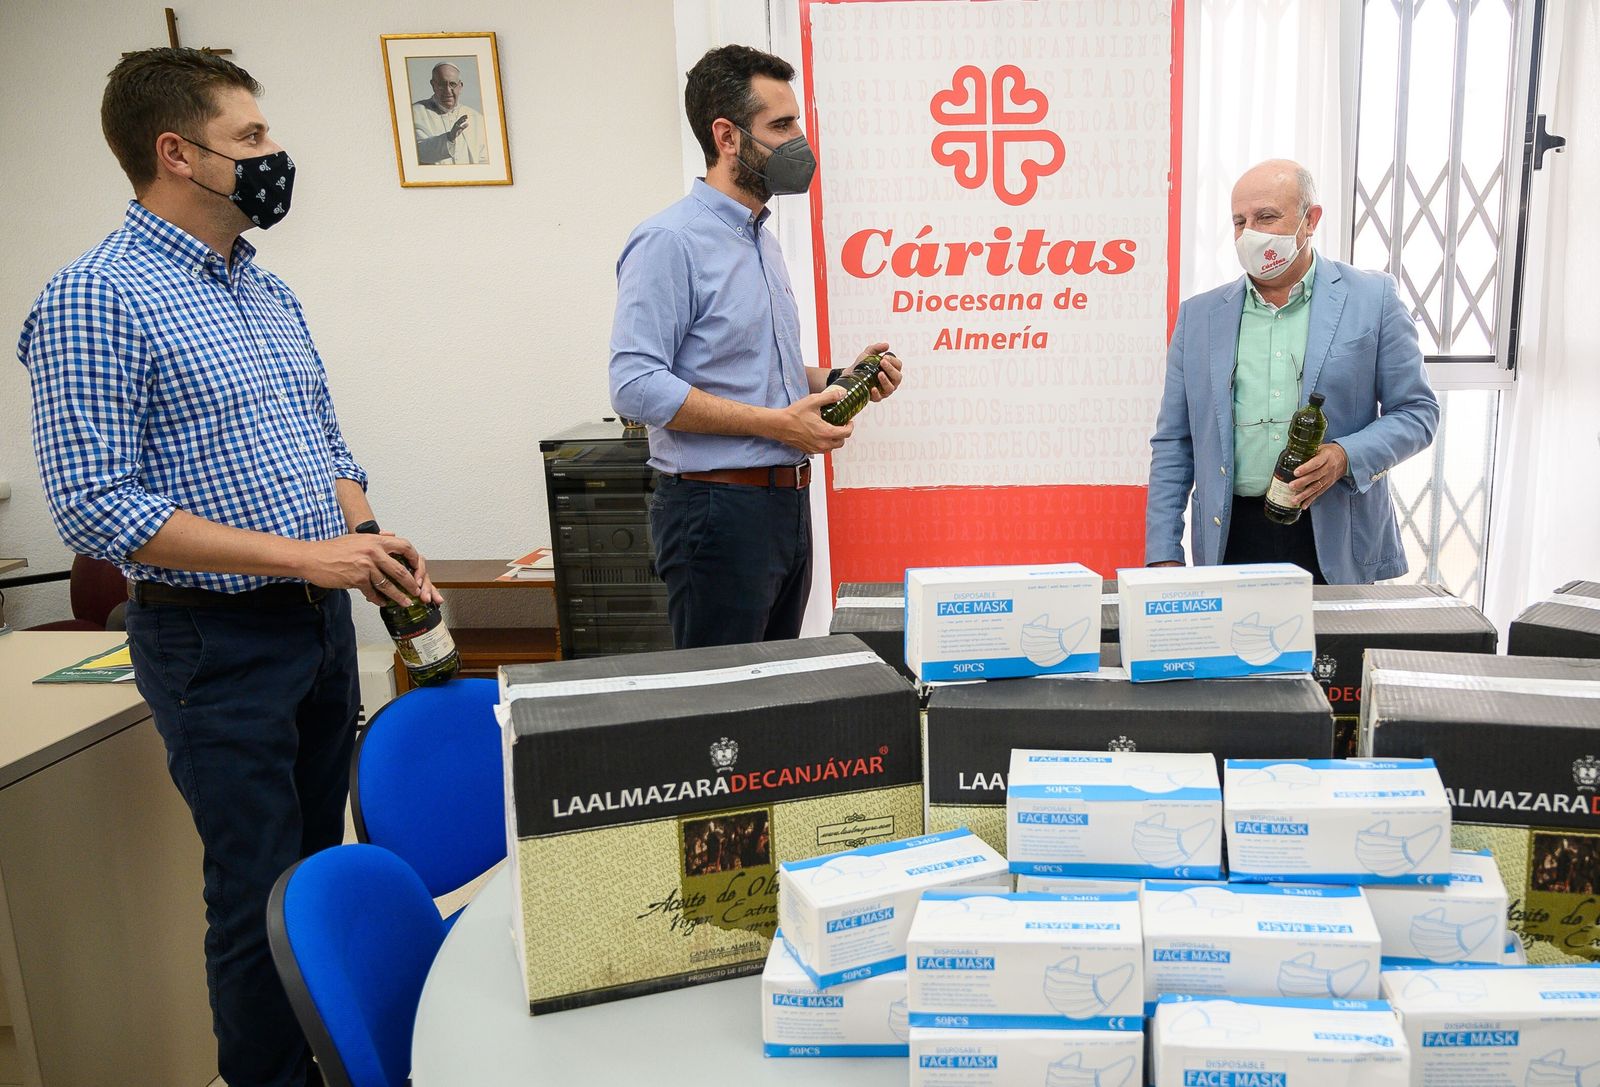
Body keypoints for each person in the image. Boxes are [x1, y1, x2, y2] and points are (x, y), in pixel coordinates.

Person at [18, 48, 441, 1087]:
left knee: (313, 885)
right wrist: (307, 553)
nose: (274, 155)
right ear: (177, 154)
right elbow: (96, 504)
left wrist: (370, 538)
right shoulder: (94, 297)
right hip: (215, 643)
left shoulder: (263, 289)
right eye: (250, 140)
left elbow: (324, 446)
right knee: (258, 902)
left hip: (313, 623)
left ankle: (333, 1061)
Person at [609, 44, 904, 649]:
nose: (800, 140)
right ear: (727, 136)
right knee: (723, 715)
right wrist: (777, 426)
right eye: (781, 125)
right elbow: (634, 384)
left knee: (771, 707)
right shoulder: (669, 241)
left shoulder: (760, 240)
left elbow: (744, 366)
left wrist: (835, 378)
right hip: (714, 512)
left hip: (783, 510)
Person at [1145, 159, 1439, 583]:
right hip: (1232, 537)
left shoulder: (1373, 299)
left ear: (1310, 219)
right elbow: (1174, 443)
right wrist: (1163, 554)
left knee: (1336, 652)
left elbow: (1417, 413)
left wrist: (1344, 456)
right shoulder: (1200, 317)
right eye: (1239, 222)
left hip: (1335, 532)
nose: (1250, 234)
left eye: (1266, 217)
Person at [412, 61, 488, 165]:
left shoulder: (476, 117)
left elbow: (485, 159)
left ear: (460, 86)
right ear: (433, 85)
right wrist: (449, 138)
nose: (447, 90)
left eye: (452, 84)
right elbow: (419, 152)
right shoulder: (415, 112)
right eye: (442, 84)